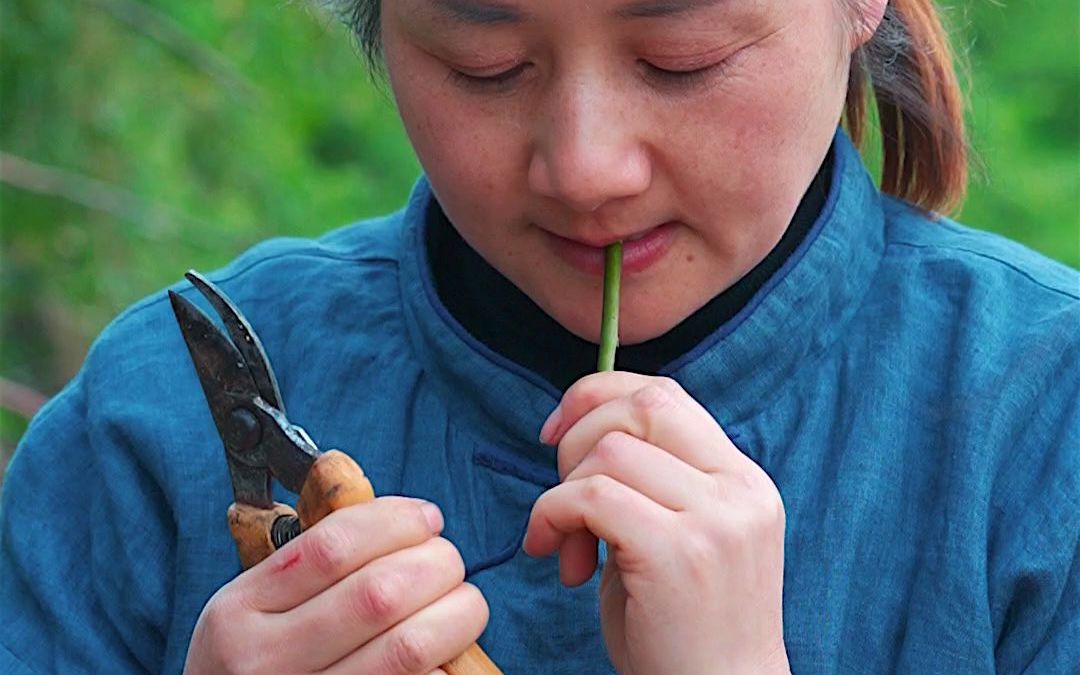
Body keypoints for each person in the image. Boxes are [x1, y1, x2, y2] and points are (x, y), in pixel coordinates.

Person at [1, 0, 1077, 672]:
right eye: (486, 67)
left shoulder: (1045, 422)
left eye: (681, 57)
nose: (586, 166)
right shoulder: (149, 422)